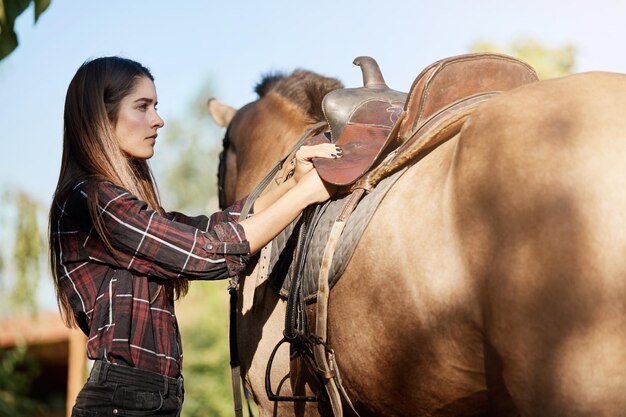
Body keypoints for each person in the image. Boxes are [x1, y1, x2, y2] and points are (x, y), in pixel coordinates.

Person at [48, 56, 341, 417]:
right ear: (100, 117)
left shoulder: (119, 207)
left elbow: (206, 228)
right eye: (142, 107)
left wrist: (290, 182)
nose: (158, 119)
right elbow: (207, 254)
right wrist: (306, 195)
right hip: (121, 403)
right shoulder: (90, 201)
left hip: (147, 399)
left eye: (156, 106)